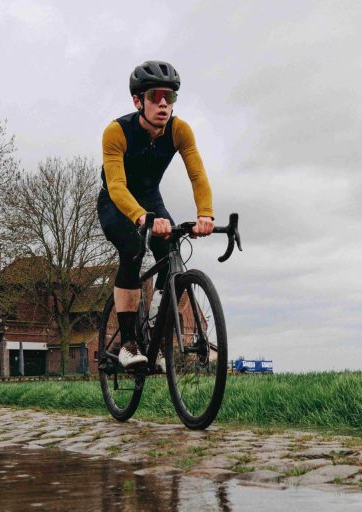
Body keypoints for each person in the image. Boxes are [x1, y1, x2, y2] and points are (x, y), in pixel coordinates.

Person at [98, 60, 215, 369]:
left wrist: (205, 215)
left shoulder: (180, 130)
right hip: (116, 201)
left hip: (151, 199)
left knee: (171, 250)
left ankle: (157, 331)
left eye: (170, 97)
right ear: (138, 101)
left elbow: (198, 176)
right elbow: (117, 185)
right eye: (155, 96)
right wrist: (140, 218)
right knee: (133, 249)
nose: (163, 103)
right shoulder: (116, 131)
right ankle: (128, 344)